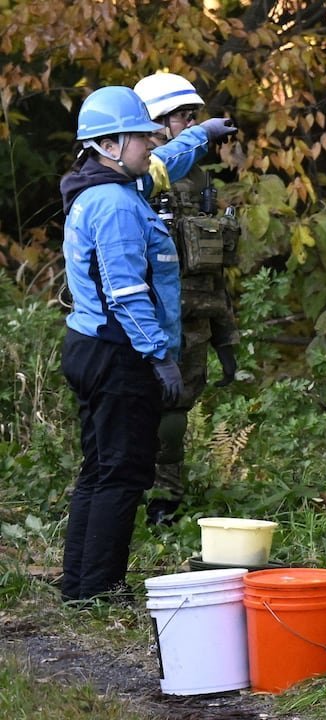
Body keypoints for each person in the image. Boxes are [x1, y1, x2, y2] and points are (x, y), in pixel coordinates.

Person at [59, 86, 233, 602]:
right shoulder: (114, 205)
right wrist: (159, 354)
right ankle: (99, 588)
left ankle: (81, 584)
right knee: (124, 472)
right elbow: (126, 290)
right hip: (118, 354)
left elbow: (164, 162)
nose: (151, 142)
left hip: (94, 346)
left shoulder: (108, 186)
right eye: (141, 136)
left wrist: (199, 135)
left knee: (101, 469)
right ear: (110, 144)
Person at [133, 72, 242, 525]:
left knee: (175, 414)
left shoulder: (196, 180)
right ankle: (130, 492)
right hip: (146, 316)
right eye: (183, 116)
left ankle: (165, 500)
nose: (192, 124)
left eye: (195, 117)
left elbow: (211, 264)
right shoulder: (142, 173)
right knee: (142, 412)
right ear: (156, 122)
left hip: (195, 315)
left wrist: (226, 338)